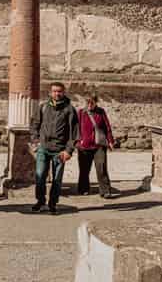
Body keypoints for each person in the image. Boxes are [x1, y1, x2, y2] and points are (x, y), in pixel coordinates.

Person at [29, 82, 80, 214]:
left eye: (59, 91)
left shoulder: (69, 110)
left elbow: (74, 133)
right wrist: (35, 141)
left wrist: (68, 150)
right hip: (43, 148)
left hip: (60, 150)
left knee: (57, 180)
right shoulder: (43, 107)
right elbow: (34, 124)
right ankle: (40, 201)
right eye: (54, 91)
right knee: (40, 176)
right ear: (50, 93)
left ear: (64, 93)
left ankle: (52, 203)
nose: (57, 94)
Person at [77, 95, 115, 199]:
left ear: (96, 102)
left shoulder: (101, 112)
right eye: (87, 102)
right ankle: (83, 189)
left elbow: (107, 127)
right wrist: (78, 142)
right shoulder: (80, 113)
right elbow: (76, 128)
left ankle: (105, 191)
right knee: (84, 169)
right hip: (84, 146)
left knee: (101, 167)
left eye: (92, 103)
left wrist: (110, 141)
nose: (89, 105)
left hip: (99, 145)